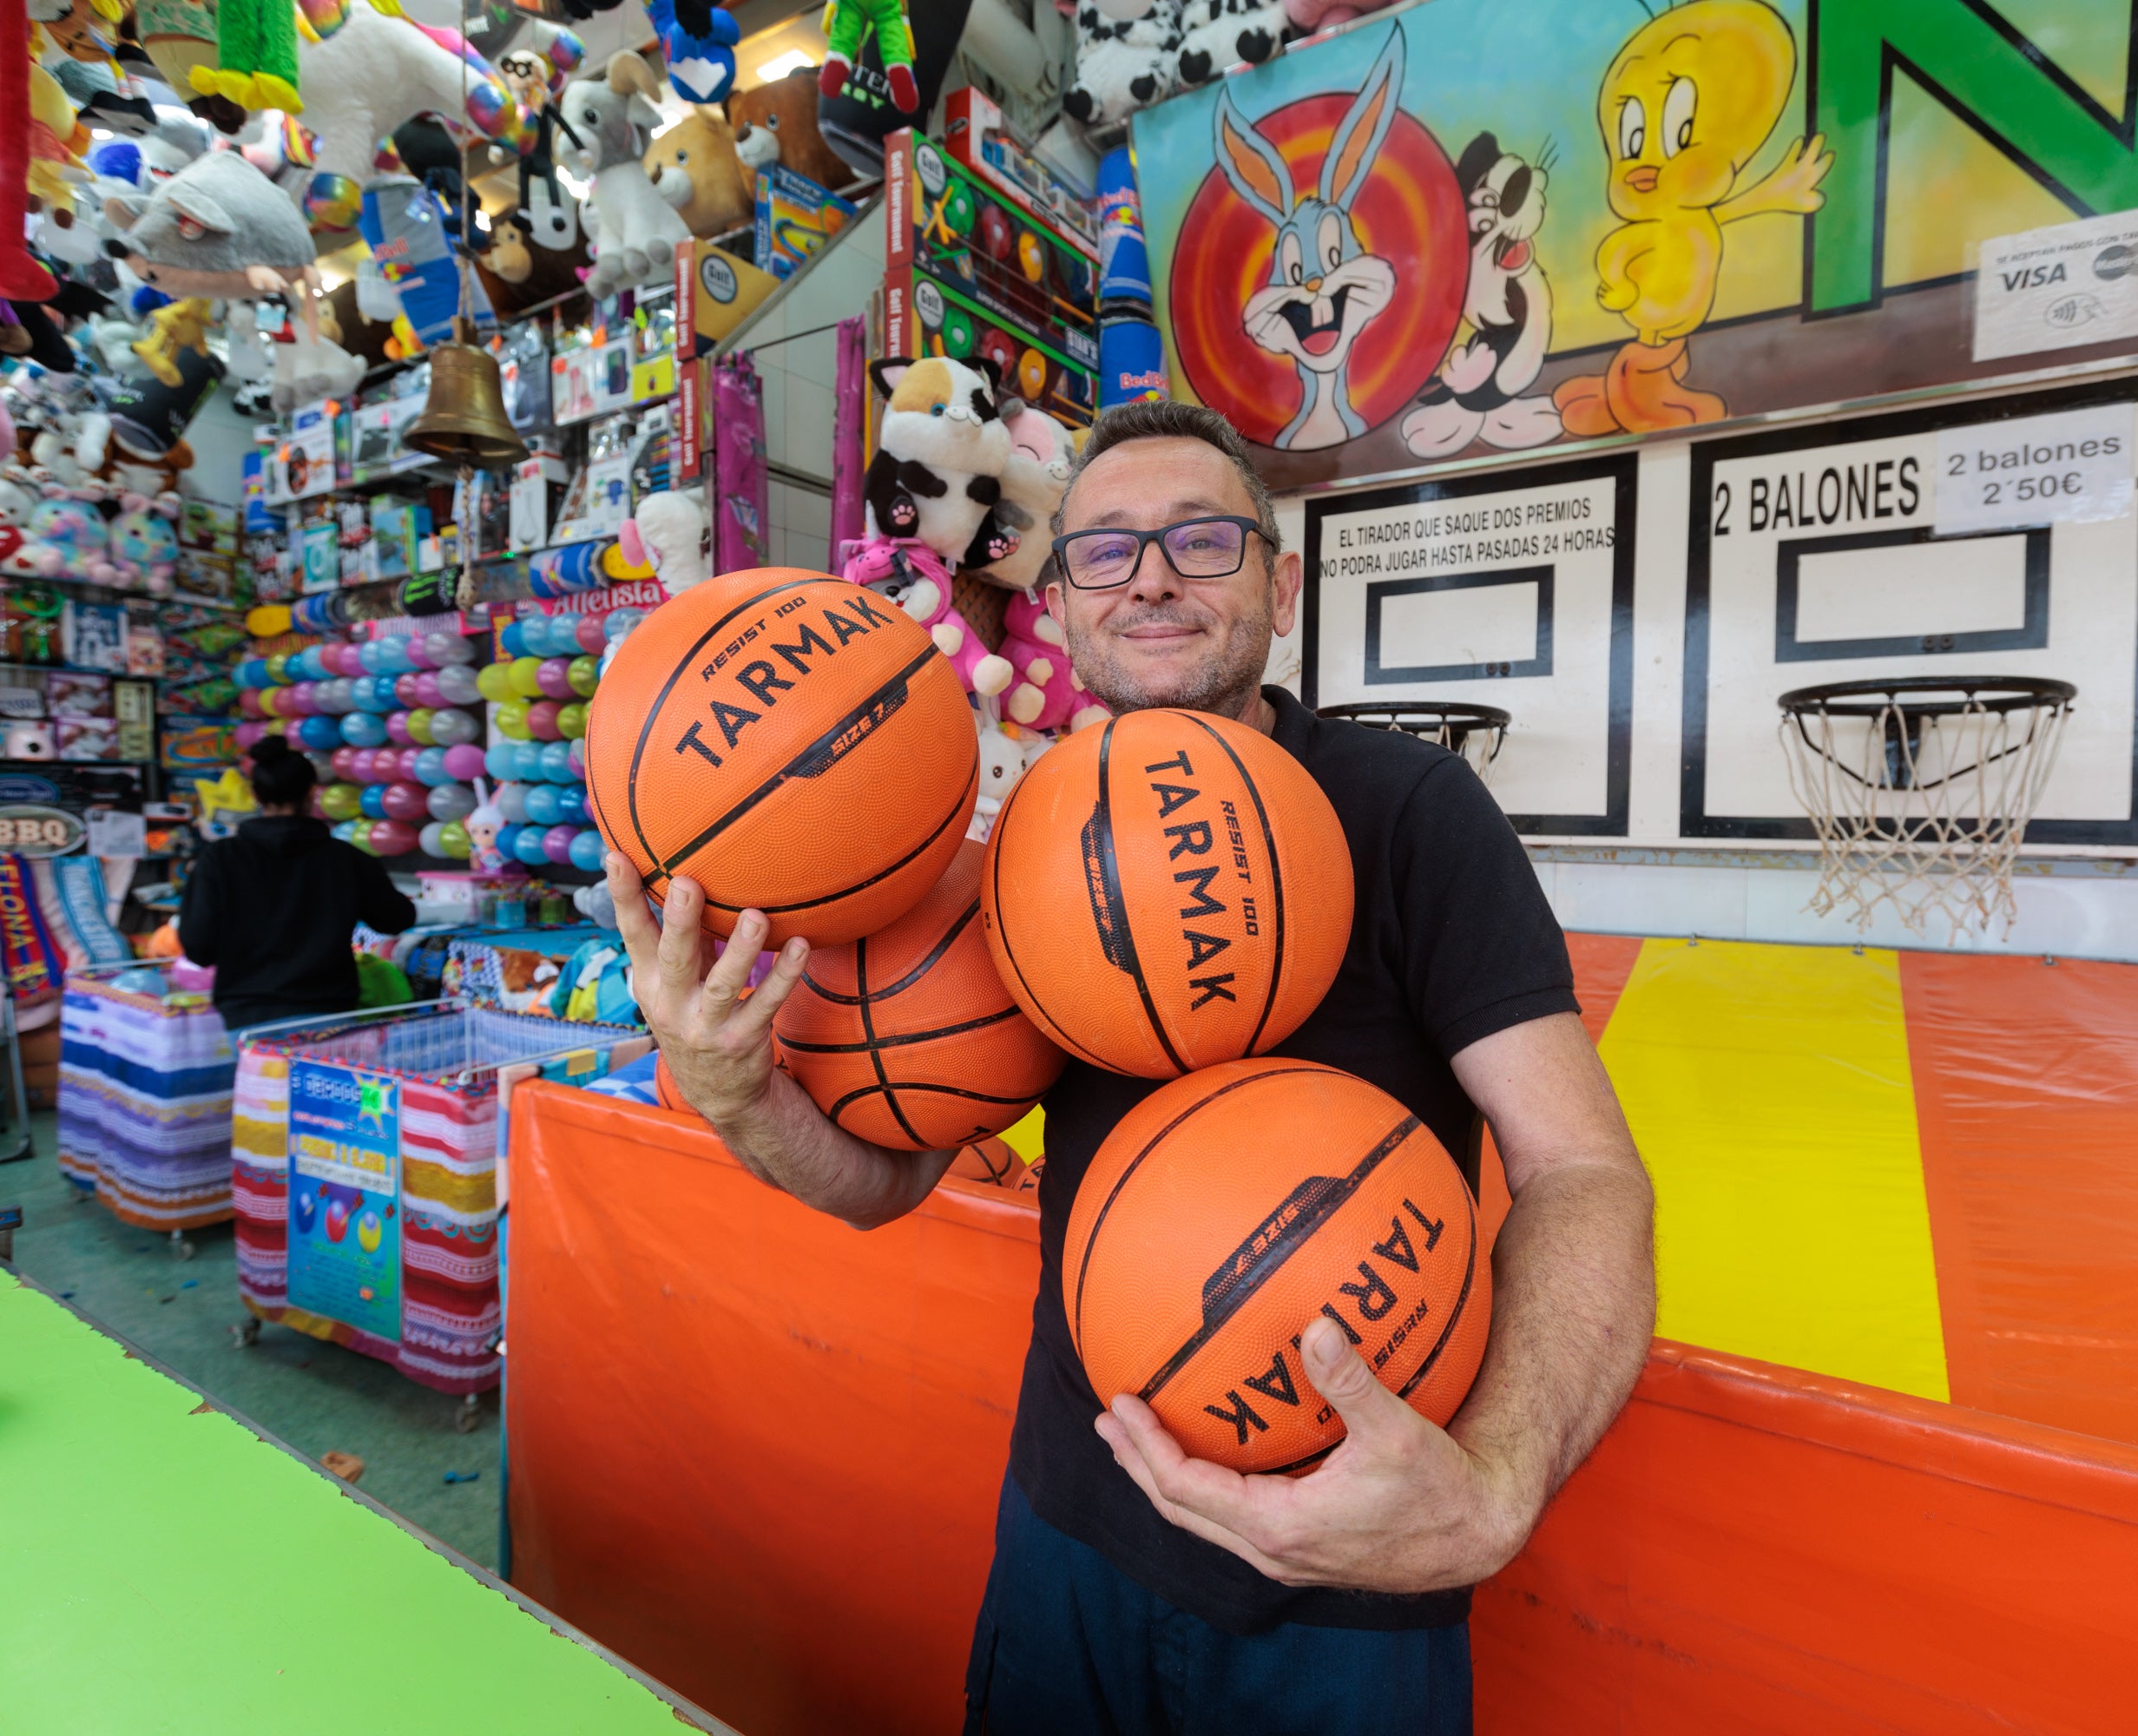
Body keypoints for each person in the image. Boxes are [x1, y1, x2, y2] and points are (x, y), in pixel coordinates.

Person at [603, 400, 1655, 1734]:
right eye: (1102, 549)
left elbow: (1582, 1169)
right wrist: (738, 1091)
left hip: (1344, 1579)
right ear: (1064, 605)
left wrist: (1494, 1485)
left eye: (1201, 540)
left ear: (1281, 585)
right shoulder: (1013, 838)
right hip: (1074, 1531)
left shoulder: (1412, 810)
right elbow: (877, 1187)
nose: (1149, 575)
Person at [181, 737, 417, 1033]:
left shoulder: (219, 859)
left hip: (248, 1014)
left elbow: (198, 948)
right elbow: (396, 918)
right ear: (311, 792)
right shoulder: (344, 858)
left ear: (255, 794)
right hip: (327, 1010)